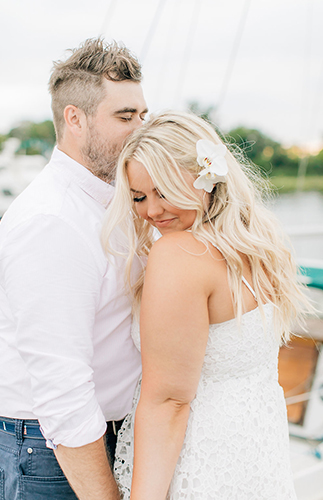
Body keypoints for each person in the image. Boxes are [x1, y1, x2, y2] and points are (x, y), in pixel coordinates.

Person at [101, 110, 311, 499]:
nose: (151, 211)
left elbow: (169, 402)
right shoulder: (259, 243)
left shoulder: (178, 256)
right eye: (138, 197)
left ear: (205, 177)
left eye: (163, 191)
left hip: (197, 465)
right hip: (257, 460)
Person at [0, 38, 147, 500]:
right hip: (52, 449)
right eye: (125, 117)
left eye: (144, 115)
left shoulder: (111, 201)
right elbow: (62, 385)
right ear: (75, 119)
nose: (142, 130)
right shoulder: (53, 220)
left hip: (106, 434)